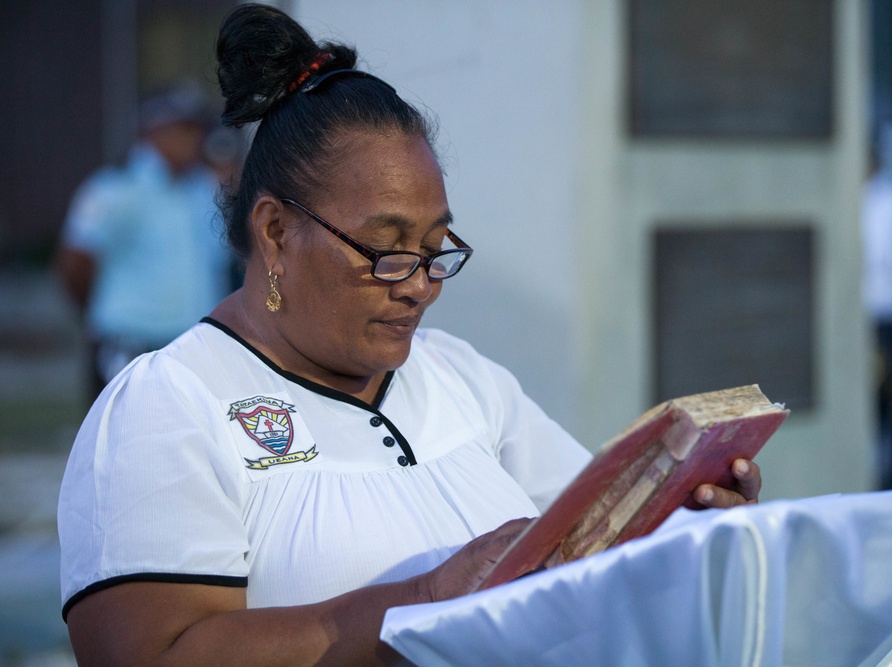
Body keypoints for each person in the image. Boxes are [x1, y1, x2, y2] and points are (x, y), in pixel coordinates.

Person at [57, 5, 763, 665]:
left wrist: (678, 520)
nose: (421, 281)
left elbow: (585, 554)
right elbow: (154, 653)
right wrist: (421, 603)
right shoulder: (171, 406)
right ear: (275, 231)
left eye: (434, 246)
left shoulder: (462, 377)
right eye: (386, 249)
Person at [56, 83, 233, 399]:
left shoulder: (205, 189)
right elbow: (75, 265)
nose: (192, 140)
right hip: (130, 345)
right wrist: (108, 314)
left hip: (193, 344)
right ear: (153, 131)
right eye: (181, 129)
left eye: (196, 130)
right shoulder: (114, 188)